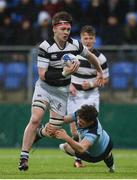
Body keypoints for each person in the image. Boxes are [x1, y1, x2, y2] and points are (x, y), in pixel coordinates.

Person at [18, 11, 104, 171]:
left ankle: (40, 133)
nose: (66, 32)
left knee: (53, 130)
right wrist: (65, 72)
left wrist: (99, 71)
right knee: (35, 117)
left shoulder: (75, 44)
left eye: (68, 29)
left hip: (61, 91)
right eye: (63, 29)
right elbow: (43, 75)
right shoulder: (45, 47)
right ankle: (24, 157)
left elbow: (91, 56)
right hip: (44, 87)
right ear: (54, 29)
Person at [67, 25, 109, 167]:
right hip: (73, 93)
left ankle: (81, 159)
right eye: (85, 38)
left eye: (91, 38)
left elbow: (105, 79)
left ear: (95, 39)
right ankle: (80, 157)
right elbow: (63, 71)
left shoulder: (100, 58)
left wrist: (91, 84)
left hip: (91, 95)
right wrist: (69, 85)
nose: (88, 41)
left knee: (88, 125)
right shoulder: (73, 54)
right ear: (81, 39)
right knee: (74, 130)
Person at [54, 104, 115, 173]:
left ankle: (108, 159)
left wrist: (66, 137)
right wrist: (52, 124)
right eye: (78, 120)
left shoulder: (94, 132)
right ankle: (110, 163)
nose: (78, 122)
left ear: (91, 122)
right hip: (106, 140)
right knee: (68, 145)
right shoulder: (80, 114)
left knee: (66, 147)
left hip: (96, 156)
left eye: (82, 123)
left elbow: (81, 149)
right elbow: (64, 119)